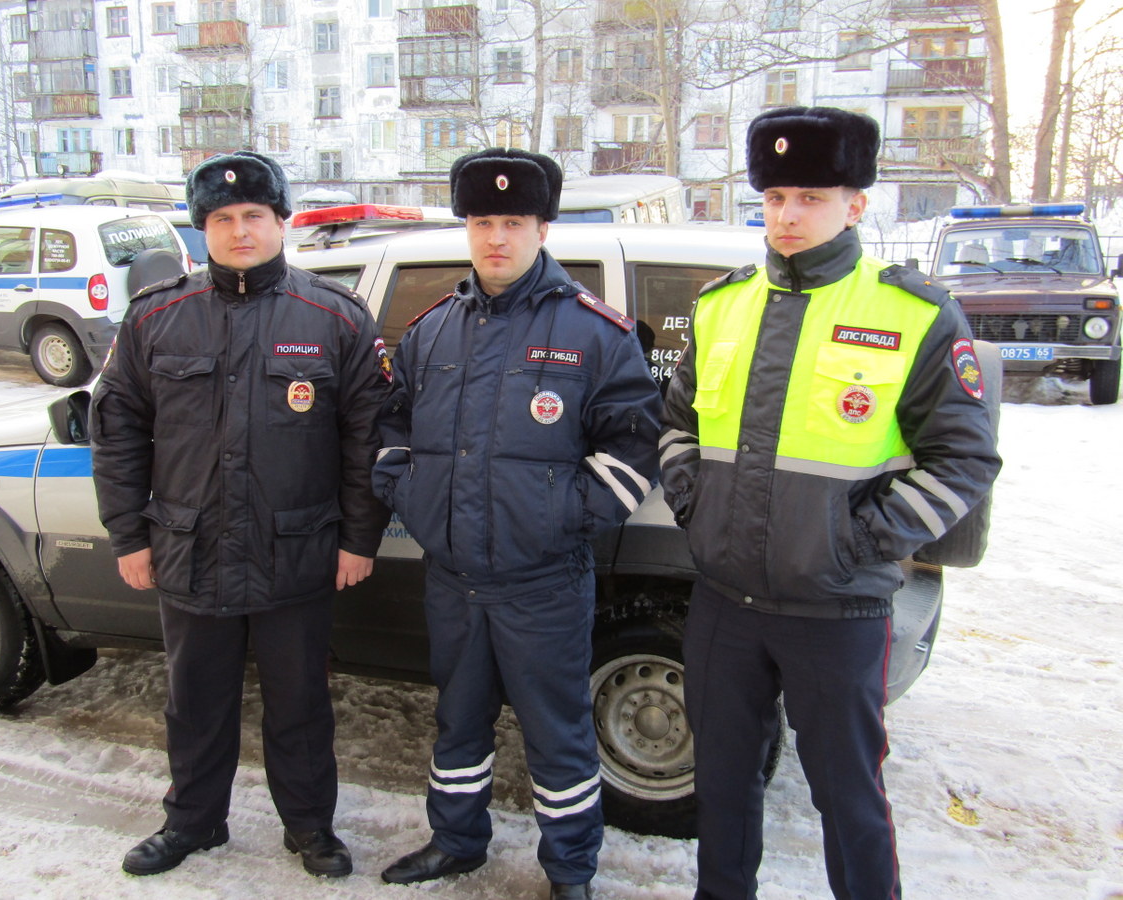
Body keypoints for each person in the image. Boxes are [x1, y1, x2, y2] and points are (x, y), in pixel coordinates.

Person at [660, 107, 1001, 899]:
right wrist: (695, 505)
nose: (786, 215)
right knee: (722, 788)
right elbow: (676, 424)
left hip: (838, 613)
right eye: (775, 196)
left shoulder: (910, 314)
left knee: (848, 801)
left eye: (810, 196)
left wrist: (858, 542)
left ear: (856, 203)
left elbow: (965, 458)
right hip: (724, 606)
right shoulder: (722, 307)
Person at [90, 150, 391, 878]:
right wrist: (129, 534)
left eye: (254, 215)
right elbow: (117, 427)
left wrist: (359, 538)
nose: (240, 230)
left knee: (300, 704)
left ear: (280, 222)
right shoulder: (157, 317)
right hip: (188, 550)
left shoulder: (333, 317)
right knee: (194, 702)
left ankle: (311, 827)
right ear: (202, 231)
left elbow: (367, 438)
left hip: (298, 552)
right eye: (221, 219)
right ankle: (193, 822)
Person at [372, 148, 663, 900]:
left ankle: (570, 871)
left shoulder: (594, 332)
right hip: (455, 577)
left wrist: (560, 519)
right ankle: (457, 841)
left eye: (513, 221)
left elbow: (633, 448)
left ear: (543, 227)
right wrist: (411, 496)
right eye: (481, 221)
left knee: (558, 736)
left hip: (544, 581)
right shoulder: (433, 329)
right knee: (457, 724)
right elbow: (391, 425)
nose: (495, 236)